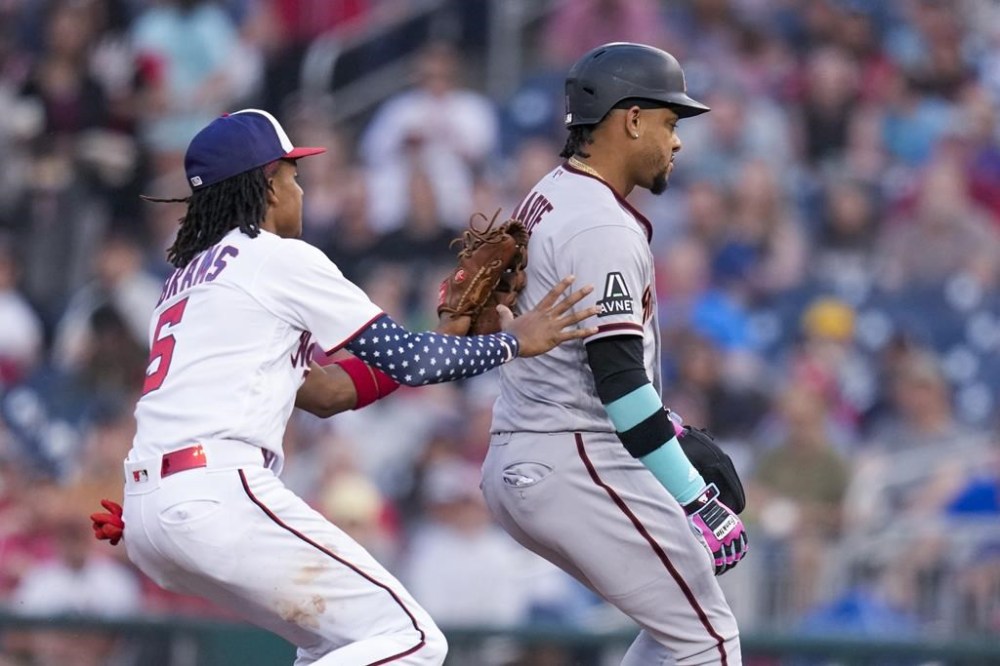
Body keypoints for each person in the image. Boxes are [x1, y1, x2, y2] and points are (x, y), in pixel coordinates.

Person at [95, 108, 598, 666]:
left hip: (150, 508)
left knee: (345, 645)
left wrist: (446, 332)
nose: (301, 190)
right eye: (293, 176)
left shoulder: (182, 284)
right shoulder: (274, 258)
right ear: (267, 183)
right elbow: (411, 362)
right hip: (216, 492)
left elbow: (328, 393)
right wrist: (512, 343)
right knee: (413, 641)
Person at [480, 43, 749, 665]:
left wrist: (673, 431)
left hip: (533, 448)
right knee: (708, 637)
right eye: (669, 121)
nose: (676, 142)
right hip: (572, 453)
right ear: (631, 119)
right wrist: (693, 496)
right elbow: (621, 385)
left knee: (678, 625)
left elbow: (592, 366)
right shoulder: (599, 224)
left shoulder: (549, 192)